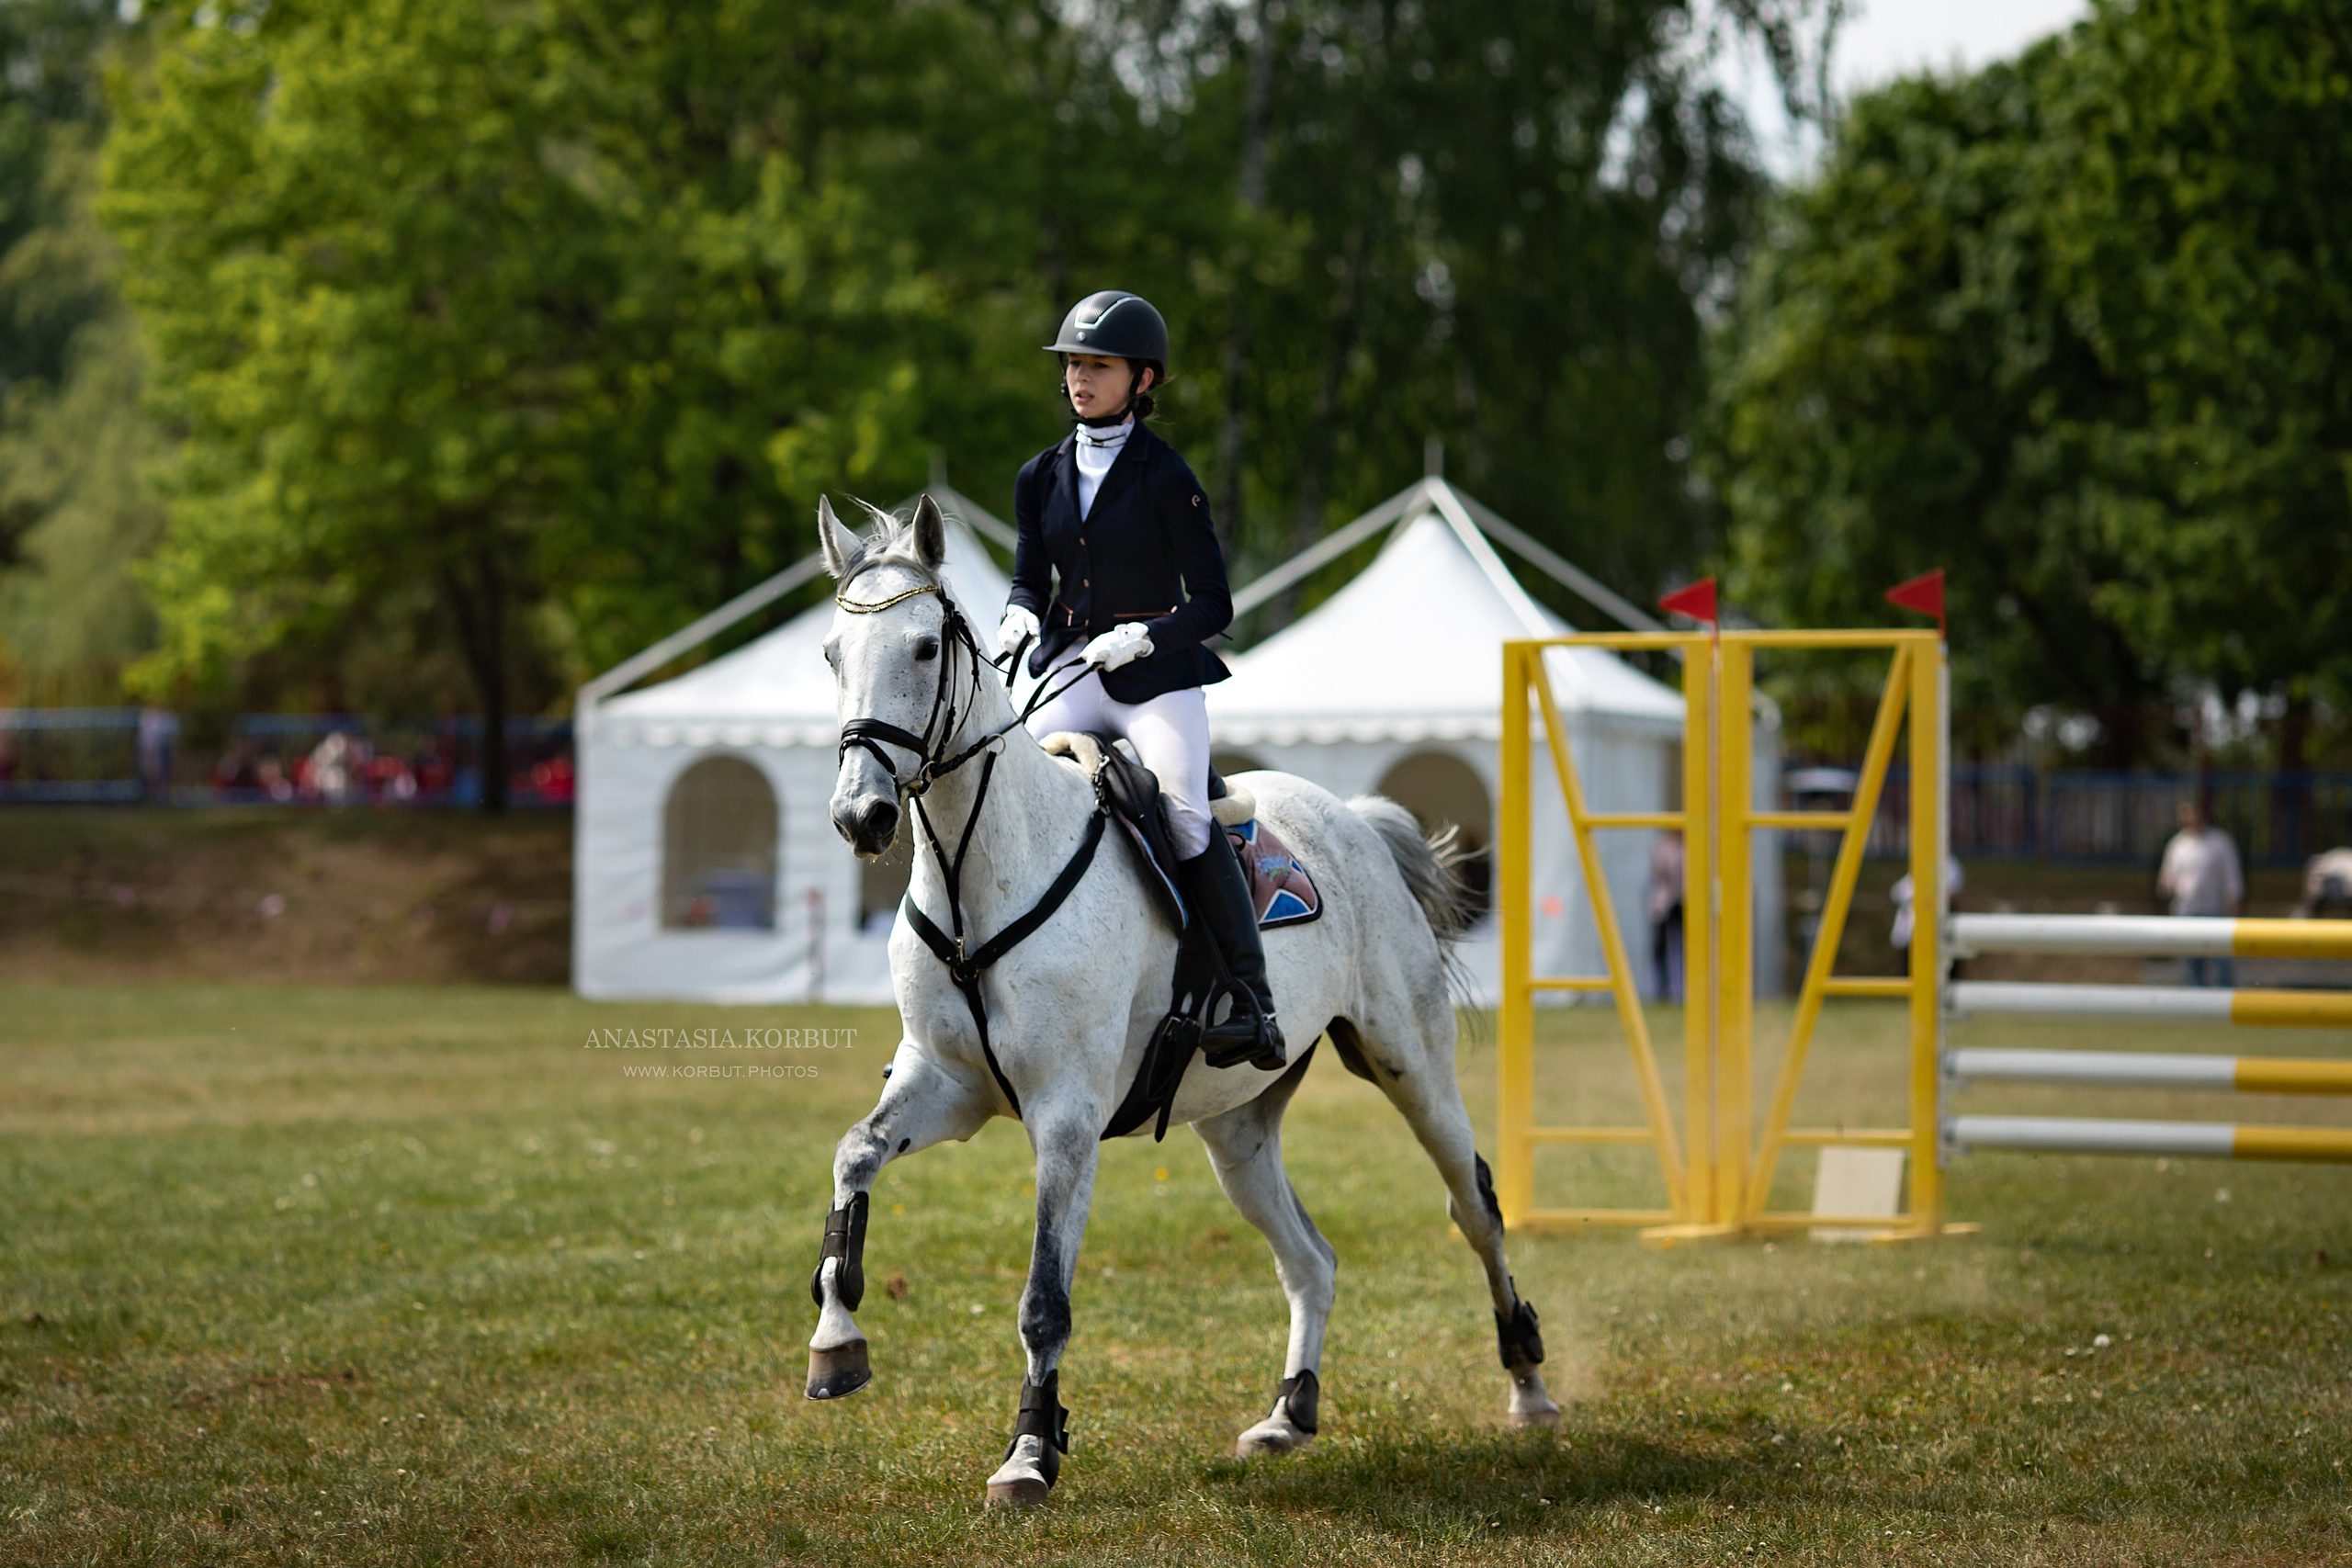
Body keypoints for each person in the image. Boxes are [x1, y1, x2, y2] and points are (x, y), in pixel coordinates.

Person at [997, 290, 1284, 1072]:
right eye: (1074, 366)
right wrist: (1020, 616)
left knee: (1187, 815)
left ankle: (1251, 999)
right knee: (1001, 780)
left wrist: (1147, 636)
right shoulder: (1039, 475)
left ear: (1144, 379)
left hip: (1155, 676)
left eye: (1099, 365)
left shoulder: (1169, 477)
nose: (1080, 379)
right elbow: (1032, 577)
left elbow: (1216, 604)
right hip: (1073, 663)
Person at [2158, 799, 2243, 987]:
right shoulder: (2177, 845)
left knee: (2222, 962)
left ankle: (2224, 1005)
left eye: (2191, 812)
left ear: (2201, 813)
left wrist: (2233, 903)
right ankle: (2196, 1006)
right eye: (2184, 813)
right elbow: (2167, 877)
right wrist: (2165, 888)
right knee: (2190, 965)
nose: (2188, 818)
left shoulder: (2220, 842)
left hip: (2214, 911)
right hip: (2185, 912)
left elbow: (2232, 876)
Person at [1889, 855, 1964, 960]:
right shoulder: (1920, 866)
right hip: (1914, 930)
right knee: (1910, 964)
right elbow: (1897, 892)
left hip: (1940, 916)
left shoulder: (1949, 864)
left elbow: (1953, 886)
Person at [1646, 830, 1684, 1002]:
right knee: (1661, 948)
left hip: (1683, 901)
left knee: (1684, 948)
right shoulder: (1663, 846)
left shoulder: (1689, 847)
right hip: (1664, 903)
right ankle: (1661, 991)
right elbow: (1659, 871)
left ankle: (1680, 991)